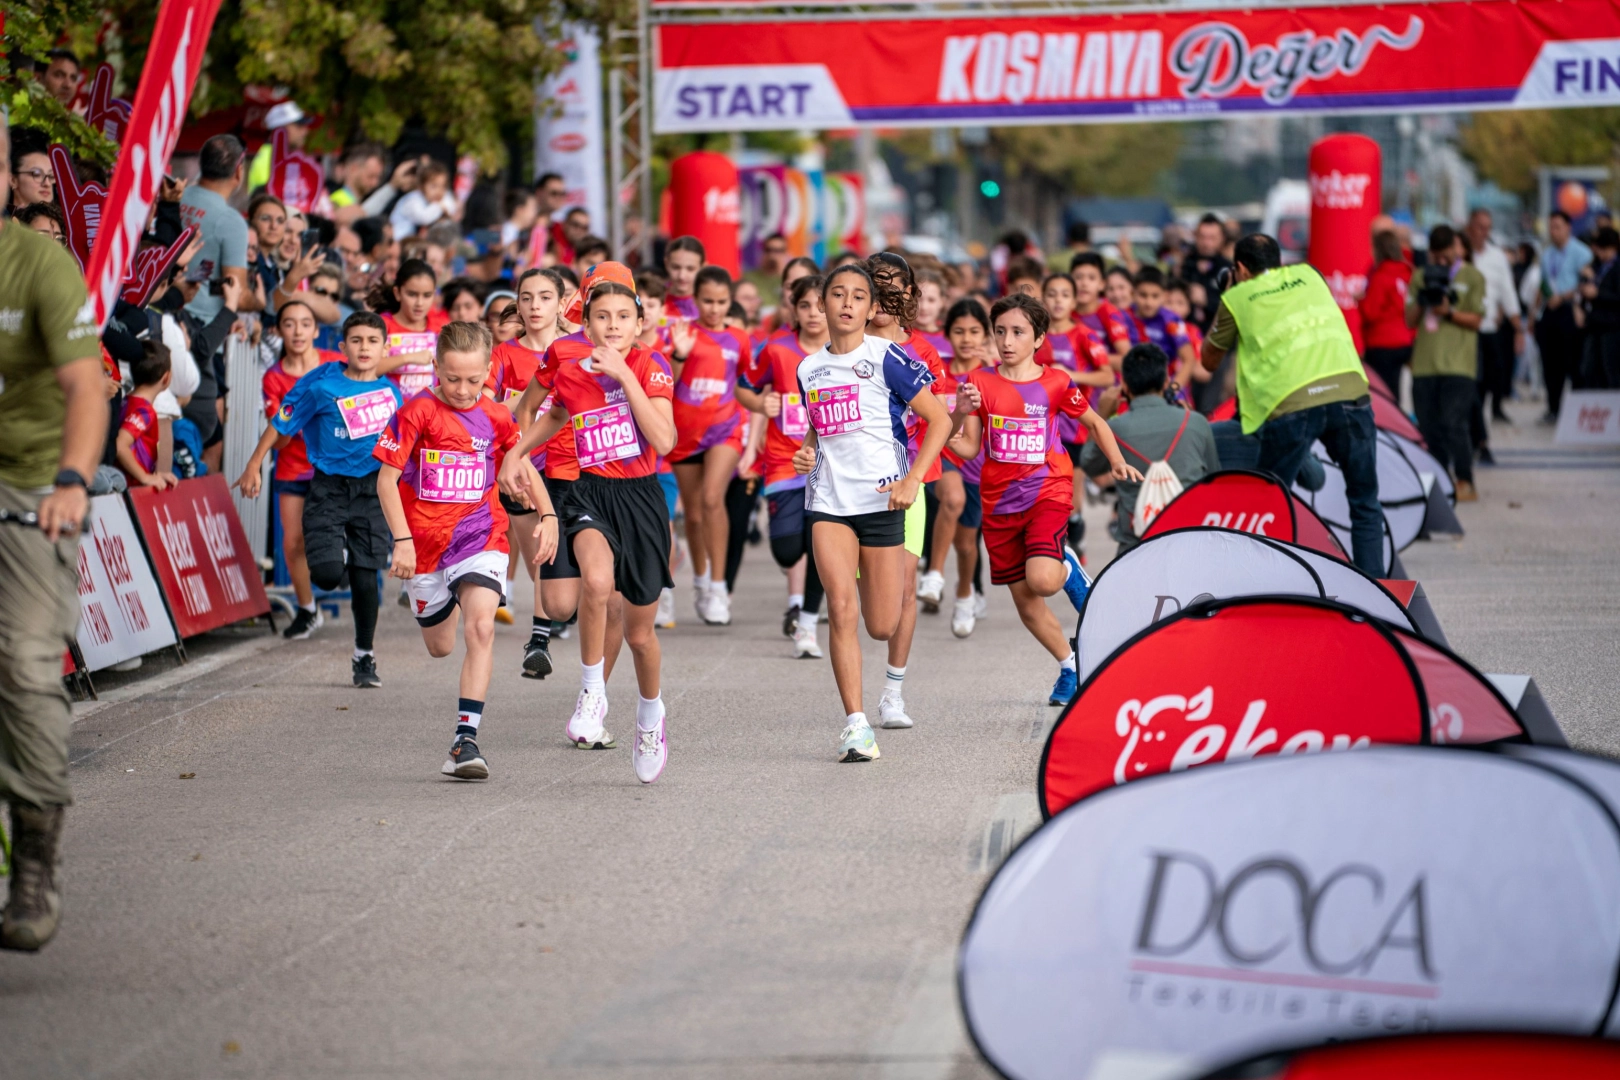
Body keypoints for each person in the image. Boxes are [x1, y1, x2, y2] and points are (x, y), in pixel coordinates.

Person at [498, 269, 677, 784]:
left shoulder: (651, 365)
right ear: (586, 322)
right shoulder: (571, 365)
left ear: (640, 323)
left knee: (641, 633)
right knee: (596, 583)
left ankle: (650, 716)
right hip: (589, 492)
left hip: (640, 498)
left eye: (624, 317)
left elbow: (663, 441)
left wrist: (623, 375)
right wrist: (516, 452)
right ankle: (593, 691)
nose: (613, 325)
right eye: (603, 317)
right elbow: (553, 417)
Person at [0, 110, 108, 951]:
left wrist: (71, 482)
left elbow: (85, 387)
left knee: (25, 667)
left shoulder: (36, 263)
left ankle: (34, 857)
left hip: (28, 489)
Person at [374, 321, 555, 780]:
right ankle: (445, 596)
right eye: (452, 378)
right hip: (425, 547)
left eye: (474, 380)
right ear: (436, 367)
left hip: (480, 534)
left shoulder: (496, 416)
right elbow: (387, 480)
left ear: (488, 372)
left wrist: (548, 516)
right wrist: (402, 541)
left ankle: (464, 740)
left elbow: (522, 466)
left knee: (481, 629)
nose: (462, 389)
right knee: (440, 646)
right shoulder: (417, 411)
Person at [790, 263, 953, 761]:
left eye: (857, 296)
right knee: (840, 608)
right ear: (822, 304)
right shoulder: (808, 368)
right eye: (836, 294)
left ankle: (879, 680)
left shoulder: (888, 358)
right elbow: (819, 429)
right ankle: (857, 725)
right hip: (828, 503)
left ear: (869, 308)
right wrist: (806, 450)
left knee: (880, 623)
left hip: (883, 500)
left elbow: (939, 419)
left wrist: (913, 480)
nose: (845, 303)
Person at [953, 295, 1137, 708]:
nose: (1007, 340)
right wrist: (955, 415)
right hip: (999, 503)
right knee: (1026, 601)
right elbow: (967, 448)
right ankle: (1071, 665)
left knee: (1042, 579)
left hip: (1047, 491)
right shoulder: (980, 383)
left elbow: (1094, 421)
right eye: (999, 331)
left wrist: (1117, 461)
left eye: (1017, 332)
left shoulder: (1055, 382)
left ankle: (1066, 563)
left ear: (1038, 338)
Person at [236, 312, 405, 685]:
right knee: (327, 577)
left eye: (372, 341)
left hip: (373, 490)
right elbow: (281, 421)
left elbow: (404, 450)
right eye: (356, 341)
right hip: (328, 487)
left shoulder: (392, 394)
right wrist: (254, 464)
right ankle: (338, 555)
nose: (364, 348)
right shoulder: (321, 386)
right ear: (342, 348)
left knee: (366, 579)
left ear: (384, 348)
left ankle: (365, 657)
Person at [1201, 233, 1383, 575]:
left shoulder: (1238, 297)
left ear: (1240, 268)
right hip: (1349, 391)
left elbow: (1208, 361)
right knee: (1365, 500)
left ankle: (1274, 584)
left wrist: (1228, 296)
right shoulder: (1310, 275)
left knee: (1271, 502)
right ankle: (1377, 593)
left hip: (1292, 403)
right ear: (1279, 261)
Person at [491, 268, 582, 677]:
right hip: (523, 470)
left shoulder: (578, 348)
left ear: (562, 303)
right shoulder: (504, 354)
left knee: (567, 561)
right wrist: (519, 403)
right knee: (539, 561)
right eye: (526, 298)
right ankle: (544, 632)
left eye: (544, 298)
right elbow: (482, 408)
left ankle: (541, 636)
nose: (534, 307)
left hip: (573, 464)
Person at [738, 274, 829, 658]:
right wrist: (761, 405)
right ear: (792, 308)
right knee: (789, 550)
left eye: (820, 305)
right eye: (804, 305)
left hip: (828, 467)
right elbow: (744, 386)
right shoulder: (775, 349)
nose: (812, 313)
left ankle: (807, 623)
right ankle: (805, 602)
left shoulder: (843, 352)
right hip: (782, 464)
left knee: (821, 546)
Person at [666, 265, 750, 625]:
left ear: (730, 301)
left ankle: (719, 586)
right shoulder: (683, 333)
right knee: (696, 513)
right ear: (696, 301)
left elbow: (746, 383)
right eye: (707, 301)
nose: (715, 308)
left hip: (725, 428)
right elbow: (667, 380)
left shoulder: (739, 338)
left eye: (721, 301)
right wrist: (680, 353)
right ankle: (700, 580)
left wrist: (760, 414)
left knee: (714, 498)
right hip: (685, 432)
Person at [1082, 344, 1220, 550]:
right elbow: (1215, 476)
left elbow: (1089, 464)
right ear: (1166, 383)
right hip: (1190, 539)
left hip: (1136, 544)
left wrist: (1100, 417)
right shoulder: (1196, 422)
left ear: (1124, 387)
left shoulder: (1115, 427)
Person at [259, 301, 341, 639]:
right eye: (289, 324)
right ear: (278, 331)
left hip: (336, 469)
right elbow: (278, 440)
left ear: (316, 330)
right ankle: (308, 610)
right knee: (293, 543)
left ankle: (343, 561)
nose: (297, 331)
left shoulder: (335, 364)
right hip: (292, 467)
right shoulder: (273, 377)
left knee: (335, 531)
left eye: (305, 324)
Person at [924, 299, 994, 638]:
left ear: (986, 334)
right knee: (951, 500)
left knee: (967, 546)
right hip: (944, 460)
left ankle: (965, 594)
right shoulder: (938, 371)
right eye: (959, 331)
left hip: (978, 468)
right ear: (947, 334)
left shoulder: (993, 375)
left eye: (974, 331)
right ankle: (934, 575)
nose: (966, 338)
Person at [1406, 224, 1485, 501]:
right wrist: (1423, 297)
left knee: (1454, 423)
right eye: (1435, 256)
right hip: (1425, 364)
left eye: (1445, 255)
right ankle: (1440, 480)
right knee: (1429, 427)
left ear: (1455, 248)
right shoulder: (1419, 275)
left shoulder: (1472, 276)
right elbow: (1409, 319)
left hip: (1459, 365)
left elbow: (1476, 320)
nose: (1440, 261)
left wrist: (1448, 312)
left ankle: (1465, 480)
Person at [1465, 209, 1524, 462]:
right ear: (1470, 227)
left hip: (1490, 331)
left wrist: (1518, 328)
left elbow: (1508, 292)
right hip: (1465, 332)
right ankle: (1479, 440)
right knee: (1472, 389)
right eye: (1479, 227)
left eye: (1488, 227)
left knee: (1488, 385)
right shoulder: (1462, 255)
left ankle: (1476, 436)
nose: (1484, 232)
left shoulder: (1497, 257)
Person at [1537, 210, 1592, 422]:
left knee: (1574, 363)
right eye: (1551, 227)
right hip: (1550, 310)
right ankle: (1553, 408)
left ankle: (1577, 411)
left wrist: (1564, 296)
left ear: (1568, 227)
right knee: (1550, 364)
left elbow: (1587, 282)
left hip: (1571, 310)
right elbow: (1543, 283)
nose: (1554, 231)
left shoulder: (1582, 253)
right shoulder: (1547, 254)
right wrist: (1536, 312)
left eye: (1558, 227)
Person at [368, 258, 447, 398]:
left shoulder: (441, 327)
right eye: (412, 294)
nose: (420, 303)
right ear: (397, 293)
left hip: (432, 411)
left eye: (427, 295)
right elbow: (365, 368)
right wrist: (408, 358)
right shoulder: (380, 325)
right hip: (392, 410)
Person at [1126, 266, 1200, 395]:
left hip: (1165, 390)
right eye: (1143, 295)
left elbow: (1189, 359)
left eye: (1155, 296)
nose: (1149, 302)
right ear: (1133, 294)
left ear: (1164, 296)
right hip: (1130, 389)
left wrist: (1172, 390)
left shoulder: (1172, 320)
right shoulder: (1122, 317)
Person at [115, 341, 178, 490]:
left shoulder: (125, 401)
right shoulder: (144, 411)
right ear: (166, 378)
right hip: (131, 491)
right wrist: (145, 477)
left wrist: (155, 475)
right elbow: (120, 445)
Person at [1360, 230, 1416, 397]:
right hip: (1406, 340)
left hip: (1382, 343)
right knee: (1395, 391)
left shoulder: (1382, 275)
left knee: (1383, 394)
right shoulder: (1408, 272)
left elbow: (1370, 312)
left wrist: (1361, 300)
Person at [1069, 253, 1131, 363]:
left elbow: (1127, 360)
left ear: (1102, 284)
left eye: (1091, 278)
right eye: (1078, 277)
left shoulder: (1109, 313)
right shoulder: (1064, 311)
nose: (1084, 283)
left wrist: (1087, 355)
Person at [1580, 227, 1620, 390]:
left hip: (1612, 327)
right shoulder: (1595, 267)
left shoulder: (1617, 268)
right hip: (1594, 325)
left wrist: (1598, 294)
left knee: (1611, 371)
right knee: (1589, 370)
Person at [248, 101, 311, 190]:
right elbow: (267, 199)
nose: (305, 131)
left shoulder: (279, 155)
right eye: (299, 125)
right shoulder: (269, 158)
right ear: (279, 130)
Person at [389, 159, 457, 240]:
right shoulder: (412, 200)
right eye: (433, 186)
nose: (439, 191)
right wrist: (440, 206)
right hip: (396, 240)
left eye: (443, 186)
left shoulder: (435, 200)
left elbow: (451, 205)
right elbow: (424, 218)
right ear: (421, 186)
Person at [6, 126, 56, 214]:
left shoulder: (65, 223)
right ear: (13, 180)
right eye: (36, 174)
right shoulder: (4, 224)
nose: (47, 183)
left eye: (51, 176)